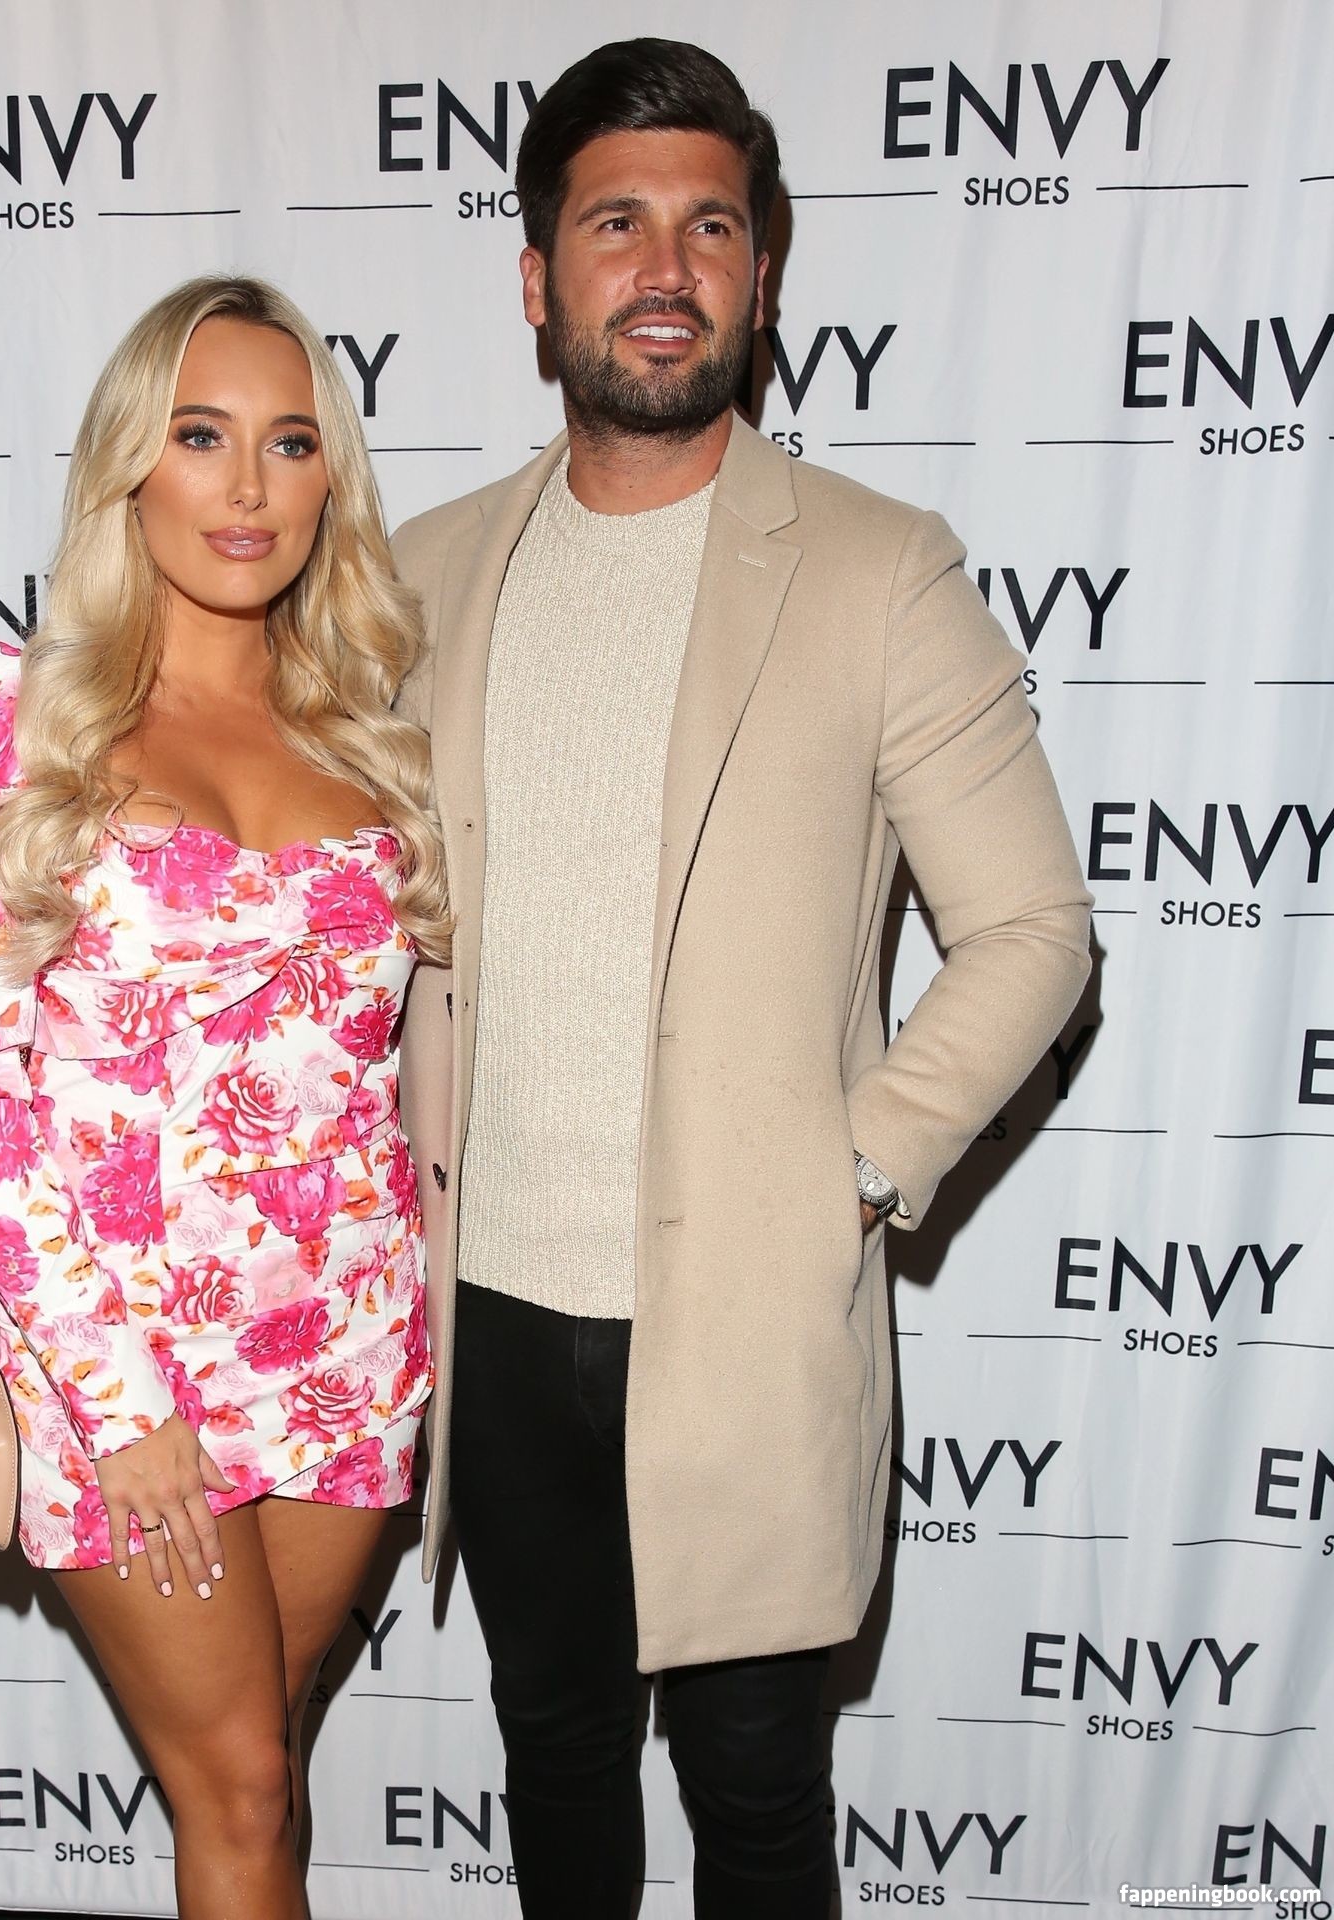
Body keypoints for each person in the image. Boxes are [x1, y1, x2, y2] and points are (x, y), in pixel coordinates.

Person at [391, 37, 1093, 1918]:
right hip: (493, 1311)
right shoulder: (421, 578)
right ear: (536, 277)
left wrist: (855, 1167)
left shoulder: (876, 570)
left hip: (745, 1326)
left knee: (760, 1798)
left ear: (762, 275)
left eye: (711, 226)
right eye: (616, 222)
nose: (666, 267)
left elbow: (1033, 928)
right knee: (554, 1762)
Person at [0, 275, 448, 1920]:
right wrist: (121, 1404)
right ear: (130, 464)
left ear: (332, 478)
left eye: (291, 442)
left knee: (265, 1771)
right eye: (201, 437)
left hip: (348, 1343)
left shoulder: (373, 743)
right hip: (119, 1356)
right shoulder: (6, 720)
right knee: (244, 1783)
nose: (249, 486)